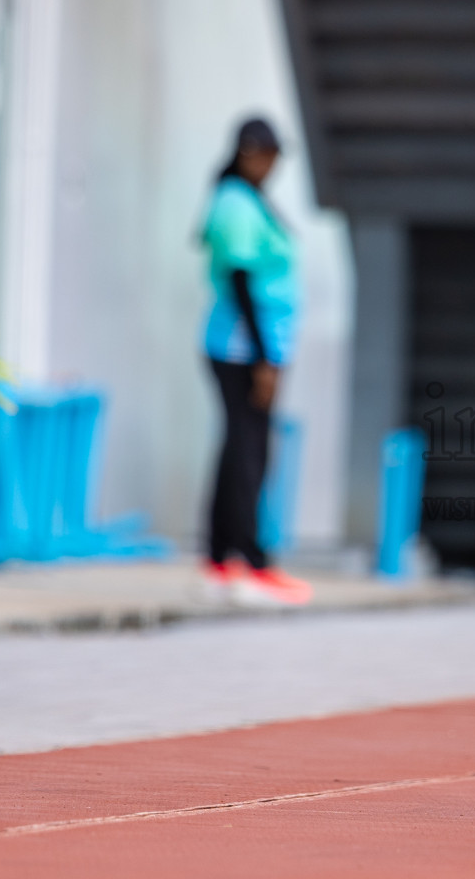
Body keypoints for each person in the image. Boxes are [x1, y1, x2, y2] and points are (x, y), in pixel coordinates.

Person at [200, 117, 312, 606]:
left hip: (254, 348)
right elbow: (242, 282)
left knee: (242, 450)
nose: (272, 167)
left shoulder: (246, 199)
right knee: (248, 454)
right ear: (248, 153)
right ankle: (248, 560)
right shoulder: (234, 202)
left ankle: (224, 557)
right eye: (266, 156)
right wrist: (265, 359)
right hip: (242, 350)